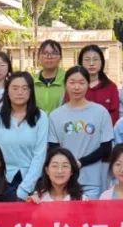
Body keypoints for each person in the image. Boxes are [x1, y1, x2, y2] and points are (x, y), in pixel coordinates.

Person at [47, 65, 114, 199]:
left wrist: (81, 162)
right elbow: (53, 148)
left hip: (92, 182)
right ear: (65, 85)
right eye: (72, 82)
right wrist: (69, 165)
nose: (76, 87)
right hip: (63, 183)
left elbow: (106, 148)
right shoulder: (55, 115)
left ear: (88, 84)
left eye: (81, 83)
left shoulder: (100, 112)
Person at [0, 71, 49, 200]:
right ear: (7, 91)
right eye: (15, 88)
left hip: (33, 182)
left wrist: (25, 188)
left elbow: (40, 155)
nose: (19, 92)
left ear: (31, 91)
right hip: (1, 182)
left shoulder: (41, 117)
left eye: (24, 88)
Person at [76, 44, 120, 124]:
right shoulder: (74, 87)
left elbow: (115, 115)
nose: (91, 63)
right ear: (81, 62)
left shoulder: (111, 87)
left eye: (95, 59)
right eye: (87, 60)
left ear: (102, 62)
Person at [33, 40, 66, 114]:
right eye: (45, 53)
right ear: (38, 57)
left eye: (54, 53)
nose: (49, 57)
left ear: (60, 57)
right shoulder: (31, 81)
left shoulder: (68, 80)